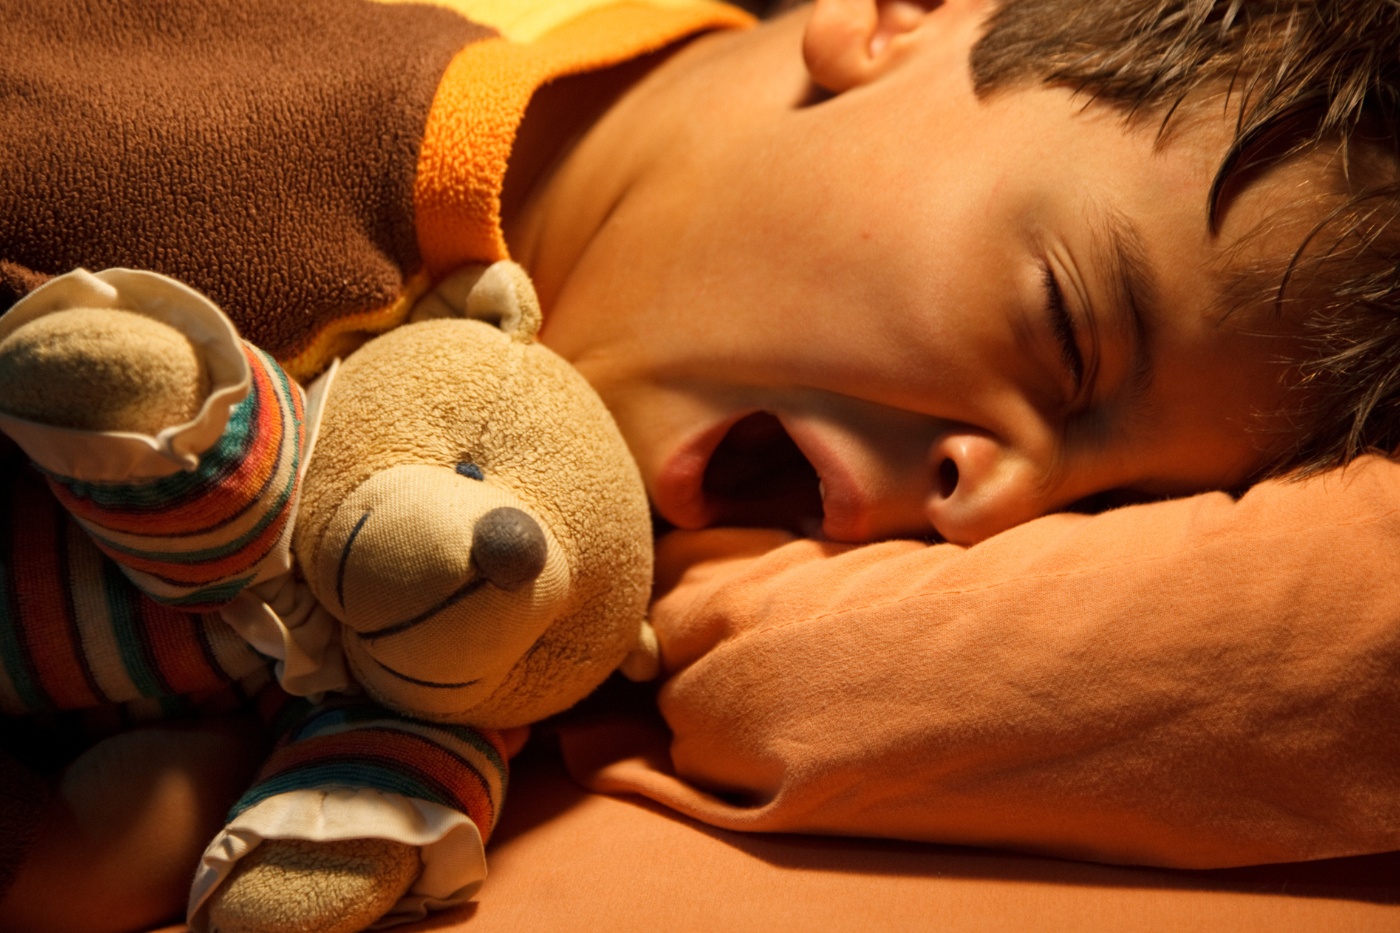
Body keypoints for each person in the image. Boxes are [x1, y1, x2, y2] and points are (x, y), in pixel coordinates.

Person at [2, 0, 1399, 928]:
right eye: (1064, 331)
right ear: (899, 22)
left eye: (1103, 505)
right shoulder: (183, 123)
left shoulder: (568, 615)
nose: (1005, 505)